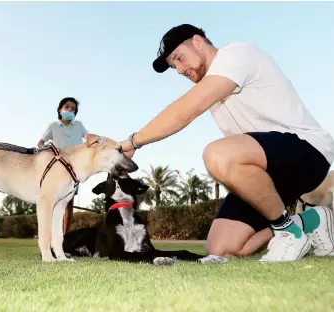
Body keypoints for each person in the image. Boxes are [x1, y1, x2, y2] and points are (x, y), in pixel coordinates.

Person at [120, 24, 334, 262]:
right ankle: (311, 220)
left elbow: (186, 109)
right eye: (174, 66)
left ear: (198, 42)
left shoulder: (236, 55)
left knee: (219, 155)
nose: (179, 69)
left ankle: (289, 232)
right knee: (221, 248)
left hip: (307, 151)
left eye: (179, 58)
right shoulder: (211, 87)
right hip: (264, 175)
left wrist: (133, 142)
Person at [37, 97, 89, 234]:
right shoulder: (53, 126)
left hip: (75, 169)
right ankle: (50, 234)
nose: (70, 110)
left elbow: (89, 138)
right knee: (52, 201)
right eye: (67, 107)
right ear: (60, 109)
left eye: (73, 109)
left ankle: (64, 237)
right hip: (57, 168)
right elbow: (40, 143)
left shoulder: (79, 125)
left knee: (68, 203)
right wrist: (45, 154)